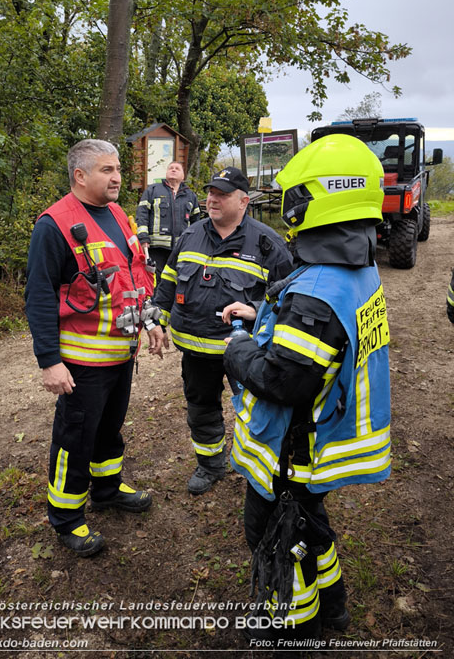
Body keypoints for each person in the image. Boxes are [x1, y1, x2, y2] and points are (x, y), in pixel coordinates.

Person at [222, 134, 391, 642]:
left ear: (312, 201)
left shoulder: (317, 291)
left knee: (276, 536)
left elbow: (284, 380)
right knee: (312, 527)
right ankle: (333, 608)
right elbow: (325, 341)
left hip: (295, 446)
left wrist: (237, 348)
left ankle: (287, 628)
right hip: (330, 433)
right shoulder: (357, 268)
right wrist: (270, 318)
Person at [25, 139, 164, 558]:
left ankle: (105, 490)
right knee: (75, 439)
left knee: (108, 430)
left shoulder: (118, 215)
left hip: (121, 355)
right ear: (80, 176)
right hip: (82, 362)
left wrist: (151, 320)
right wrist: (50, 361)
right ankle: (66, 518)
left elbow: (133, 276)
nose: (117, 177)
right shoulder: (54, 224)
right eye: (107, 170)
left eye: (118, 168)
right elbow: (39, 296)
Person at [154, 166, 293, 495]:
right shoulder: (191, 234)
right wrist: (158, 318)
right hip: (197, 352)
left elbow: (292, 299)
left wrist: (258, 310)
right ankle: (210, 465)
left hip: (246, 353)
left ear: (244, 201)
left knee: (258, 411)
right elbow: (169, 282)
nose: (212, 199)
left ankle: (262, 469)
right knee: (201, 410)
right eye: (210, 193)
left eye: (222, 194)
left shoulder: (266, 243)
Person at [136, 161, 201, 284]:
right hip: (156, 248)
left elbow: (195, 222)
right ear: (166, 173)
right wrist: (143, 237)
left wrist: (193, 244)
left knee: (177, 281)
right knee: (156, 282)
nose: (173, 170)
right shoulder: (153, 190)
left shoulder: (190, 196)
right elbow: (142, 214)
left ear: (183, 176)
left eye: (177, 168)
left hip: (180, 249)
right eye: (171, 168)